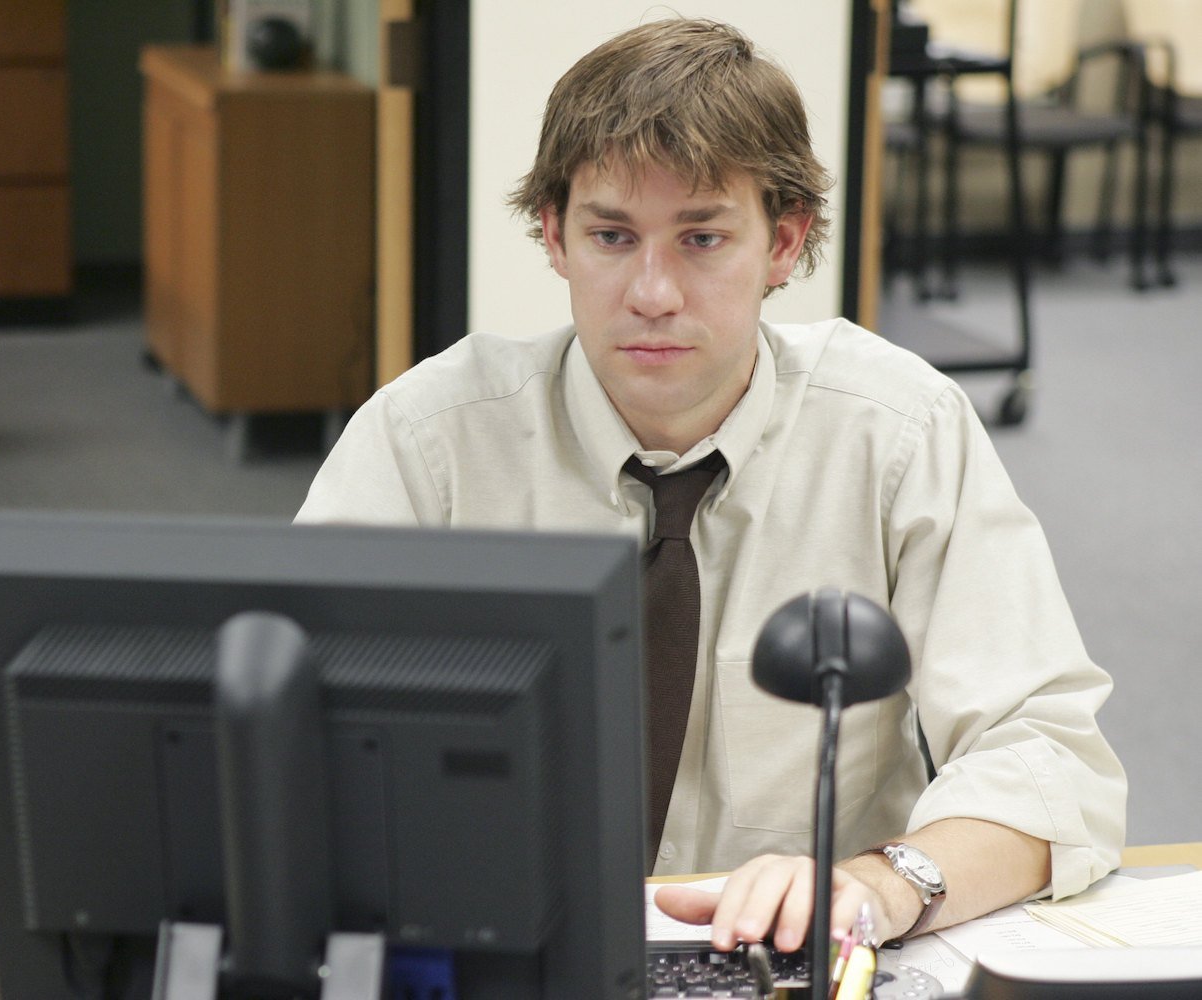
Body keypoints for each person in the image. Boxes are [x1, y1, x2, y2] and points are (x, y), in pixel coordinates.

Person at [295, 17, 1125, 953]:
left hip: (789, 958)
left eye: (701, 238)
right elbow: (283, 741)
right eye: (612, 235)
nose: (652, 292)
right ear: (554, 237)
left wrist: (879, 886)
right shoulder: (428, 442)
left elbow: (1053, 760)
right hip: (499, 949)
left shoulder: (898, 431)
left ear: (784, 244)